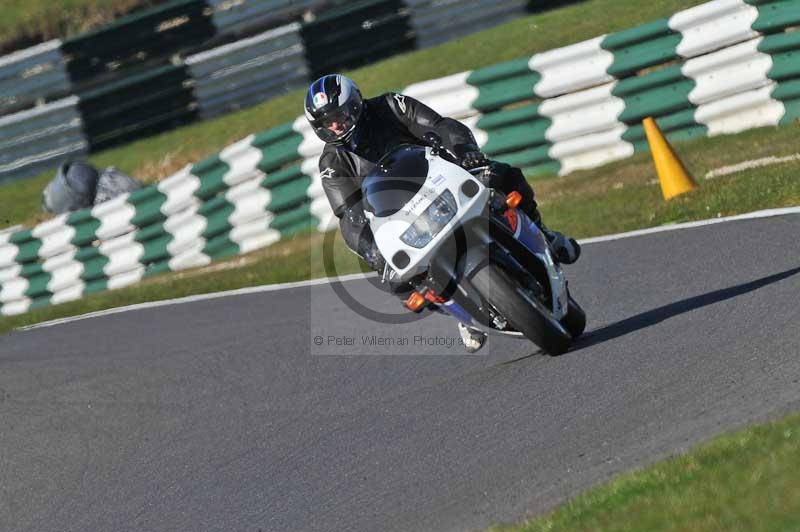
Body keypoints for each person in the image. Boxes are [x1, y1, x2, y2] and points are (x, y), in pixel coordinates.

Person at [305, 74, 580, 352]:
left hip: (442, 179)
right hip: (402, 217)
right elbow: (347, 214)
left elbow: (439, 125)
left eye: (338, 115)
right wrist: (372, 250)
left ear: (354, 103)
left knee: (505, 176)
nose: (336, 125)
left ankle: (544, 233)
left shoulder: (391, 106)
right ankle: (460, 309)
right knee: (400, 283)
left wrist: (466, 151)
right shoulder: (333, 163)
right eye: (327, 122)